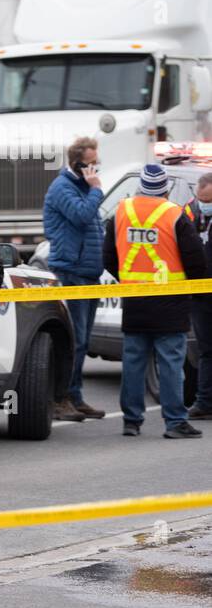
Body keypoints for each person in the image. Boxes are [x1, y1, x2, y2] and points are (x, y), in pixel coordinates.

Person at [103, 163, 208, 438]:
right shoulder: (174, 215)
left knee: (133, 362)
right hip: (170, 302)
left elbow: (108, 257)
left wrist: (128, 280)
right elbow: (196, 259)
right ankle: (174, 422)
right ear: (165, 188)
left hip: (135, 301)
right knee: (171, 364)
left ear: (141, 186)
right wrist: (193, 287)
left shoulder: (121, 212)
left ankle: (131, 421)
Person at [41, 137, 108, 421]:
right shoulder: (62, 188)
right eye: (90, 164)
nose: (94, 169)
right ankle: (61, 398)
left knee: (84, 340)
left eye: (96, 163)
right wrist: (95, 191)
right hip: (71, 271)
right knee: (74, 340)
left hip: (89, 273)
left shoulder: (82, 187)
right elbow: (81, 217)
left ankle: (76, 396)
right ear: (76, 163)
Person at [183, 172, 212, 419]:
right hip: (200, 294)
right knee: (206, 349)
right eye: (202, 198)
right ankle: (204, 403)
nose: (205, 203)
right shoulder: (188, 213)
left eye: (209, 200)